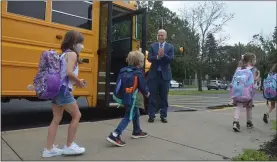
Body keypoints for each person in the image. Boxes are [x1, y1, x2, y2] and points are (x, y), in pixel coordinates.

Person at [42, 30, 86, 157]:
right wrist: (79, 81)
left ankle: (49, 149)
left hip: (56, 89)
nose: (82, 46)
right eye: (80, 43)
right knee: (77, 115)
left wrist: (76, 81)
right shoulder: (72, 54)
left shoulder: (63, 54)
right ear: (74, 42)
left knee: (56, 119)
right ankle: (69, 146)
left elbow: (64, 74)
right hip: (63, 90)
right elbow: (68, 72)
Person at [106, 51, 150, 147]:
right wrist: (148, 94)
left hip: (124, 97)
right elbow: (143, 87)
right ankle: (115, 134)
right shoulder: (138, 73)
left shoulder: (123, 70)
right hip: (132, 99)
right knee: (128, 116)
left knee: (135, 112)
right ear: (139, 62)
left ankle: (137, 131)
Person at [147, 29, 174, 123]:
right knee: (152, 96)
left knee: (164, 97)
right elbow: (149, 58)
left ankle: (163, 116)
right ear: (157, 36)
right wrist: (157, 57)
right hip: (154, 75)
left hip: (165, 76)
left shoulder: (170, 47)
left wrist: (164, 55)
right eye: (159, 35)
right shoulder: (152, 46)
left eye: (162, 35)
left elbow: (171, 59)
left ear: (165, 36)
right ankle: (151, 115)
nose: (160, 37)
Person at [231, 52, 257, 132]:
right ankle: (249, 122)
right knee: (249, 107)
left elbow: (233, 81)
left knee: (238, 105)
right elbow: (253, 82)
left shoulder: (238, 69)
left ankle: (235, 121)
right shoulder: (253, 69)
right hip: (248, 92)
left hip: (238, 91)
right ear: (251, 60)